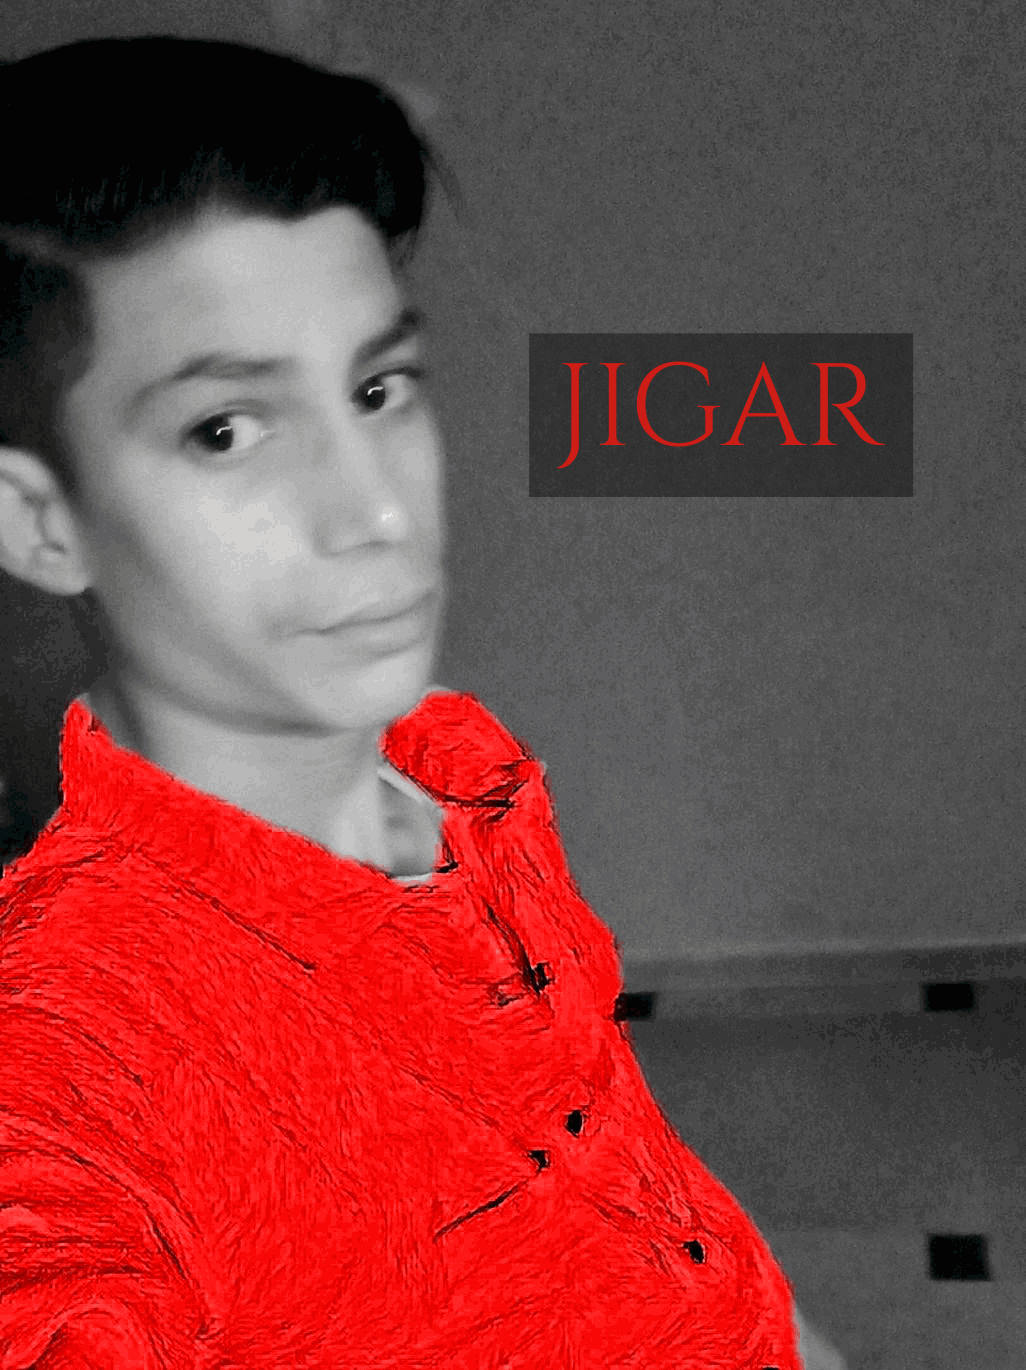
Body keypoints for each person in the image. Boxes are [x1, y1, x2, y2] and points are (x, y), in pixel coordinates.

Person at [0, 35, 801, 1368]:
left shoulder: (456, 768)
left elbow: (614, 1166)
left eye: (376, 390)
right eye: (226, 429)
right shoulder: (69, 1051)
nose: (376, 510)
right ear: (40, 520)